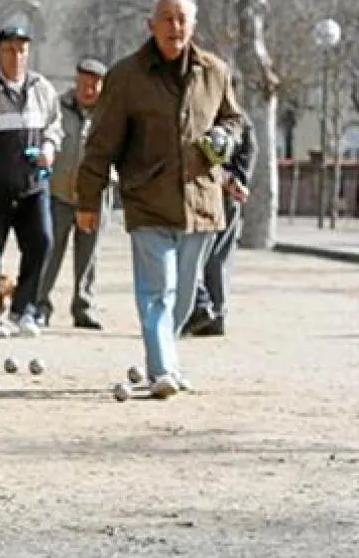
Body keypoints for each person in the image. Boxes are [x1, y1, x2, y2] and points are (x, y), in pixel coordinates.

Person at [76, 0, 243, 398]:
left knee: (183, 295)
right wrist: (87, 198)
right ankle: (162, 370)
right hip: (147, 199)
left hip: (200, 201)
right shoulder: (126, 76)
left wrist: (225, 138)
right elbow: (101, 143)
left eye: (182, 18)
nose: (175, 26)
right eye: (166, 18)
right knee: (158, 291)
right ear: (151, 25)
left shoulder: (214, 71)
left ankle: (168, 358)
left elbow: (233, 118)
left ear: (193, 24)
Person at [0, 24, 63, 338]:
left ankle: (24, 309)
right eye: (9, 50)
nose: (16, 56)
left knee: (42, 241)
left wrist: (49, 147)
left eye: (21, 50)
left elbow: (55, 127)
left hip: (33, 185)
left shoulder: (42, 88)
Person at [36, 57, 111, 330]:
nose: (88, 90)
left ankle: (83, 307)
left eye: (94, 85)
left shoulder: (112, 113)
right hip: (58, 193)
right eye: (83, 84)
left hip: (96, 195)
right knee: (49, 251)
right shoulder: (57, 107)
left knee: (89, 255)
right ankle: (39, 305)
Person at [184, 116, 257, 337]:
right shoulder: (238, 119)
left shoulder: (201, 112)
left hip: (209, 193)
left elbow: (249, 147)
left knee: (197, 254)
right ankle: (211, 312)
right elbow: (250, 149)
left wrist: (237, 179)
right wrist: (239, 177)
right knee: (214, 257)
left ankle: (206, 310)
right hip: (217, 191)